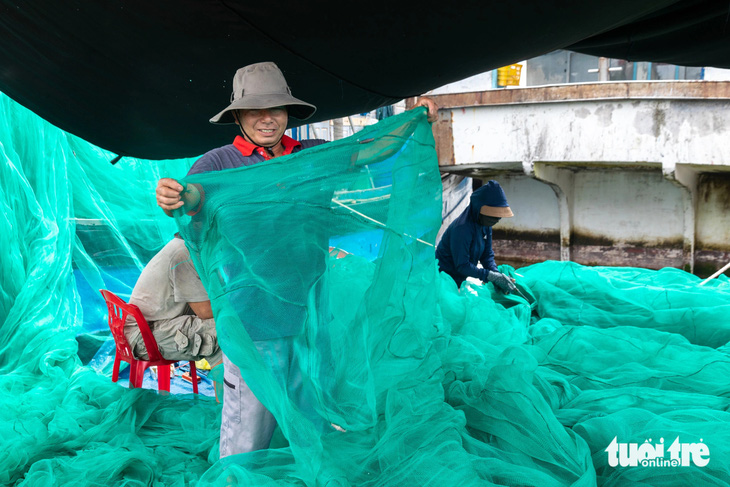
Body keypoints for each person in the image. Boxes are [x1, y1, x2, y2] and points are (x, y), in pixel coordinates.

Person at [154, 61, 439, 457]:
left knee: (311, 408)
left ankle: (309, 469)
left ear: (289, 113)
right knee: (248, 427)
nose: (267, 119)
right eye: (255, 110)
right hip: (252, 315)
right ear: (237, 116)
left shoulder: (312, 157)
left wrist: (416, 117)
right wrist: (175, 196)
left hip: (309, 312)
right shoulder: (219, 165)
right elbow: (193, 196)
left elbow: (373, 150)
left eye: (276, 108)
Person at [124, 234, 222, 367]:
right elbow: (205, 312)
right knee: (223, 332)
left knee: (228, 326)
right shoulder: (183, 253)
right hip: (144, 336)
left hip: (151, 325)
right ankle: (228, 386)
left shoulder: (182, 246)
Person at [436, 180, 518, 293]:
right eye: (493, 216)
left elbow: (487, 256)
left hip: (461, 280)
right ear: (479, 210)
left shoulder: (485, 225)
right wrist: (489, 276)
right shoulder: (461, 229)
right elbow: (462, 265)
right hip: (444, 280)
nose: (497, 219)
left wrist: (497, 275)